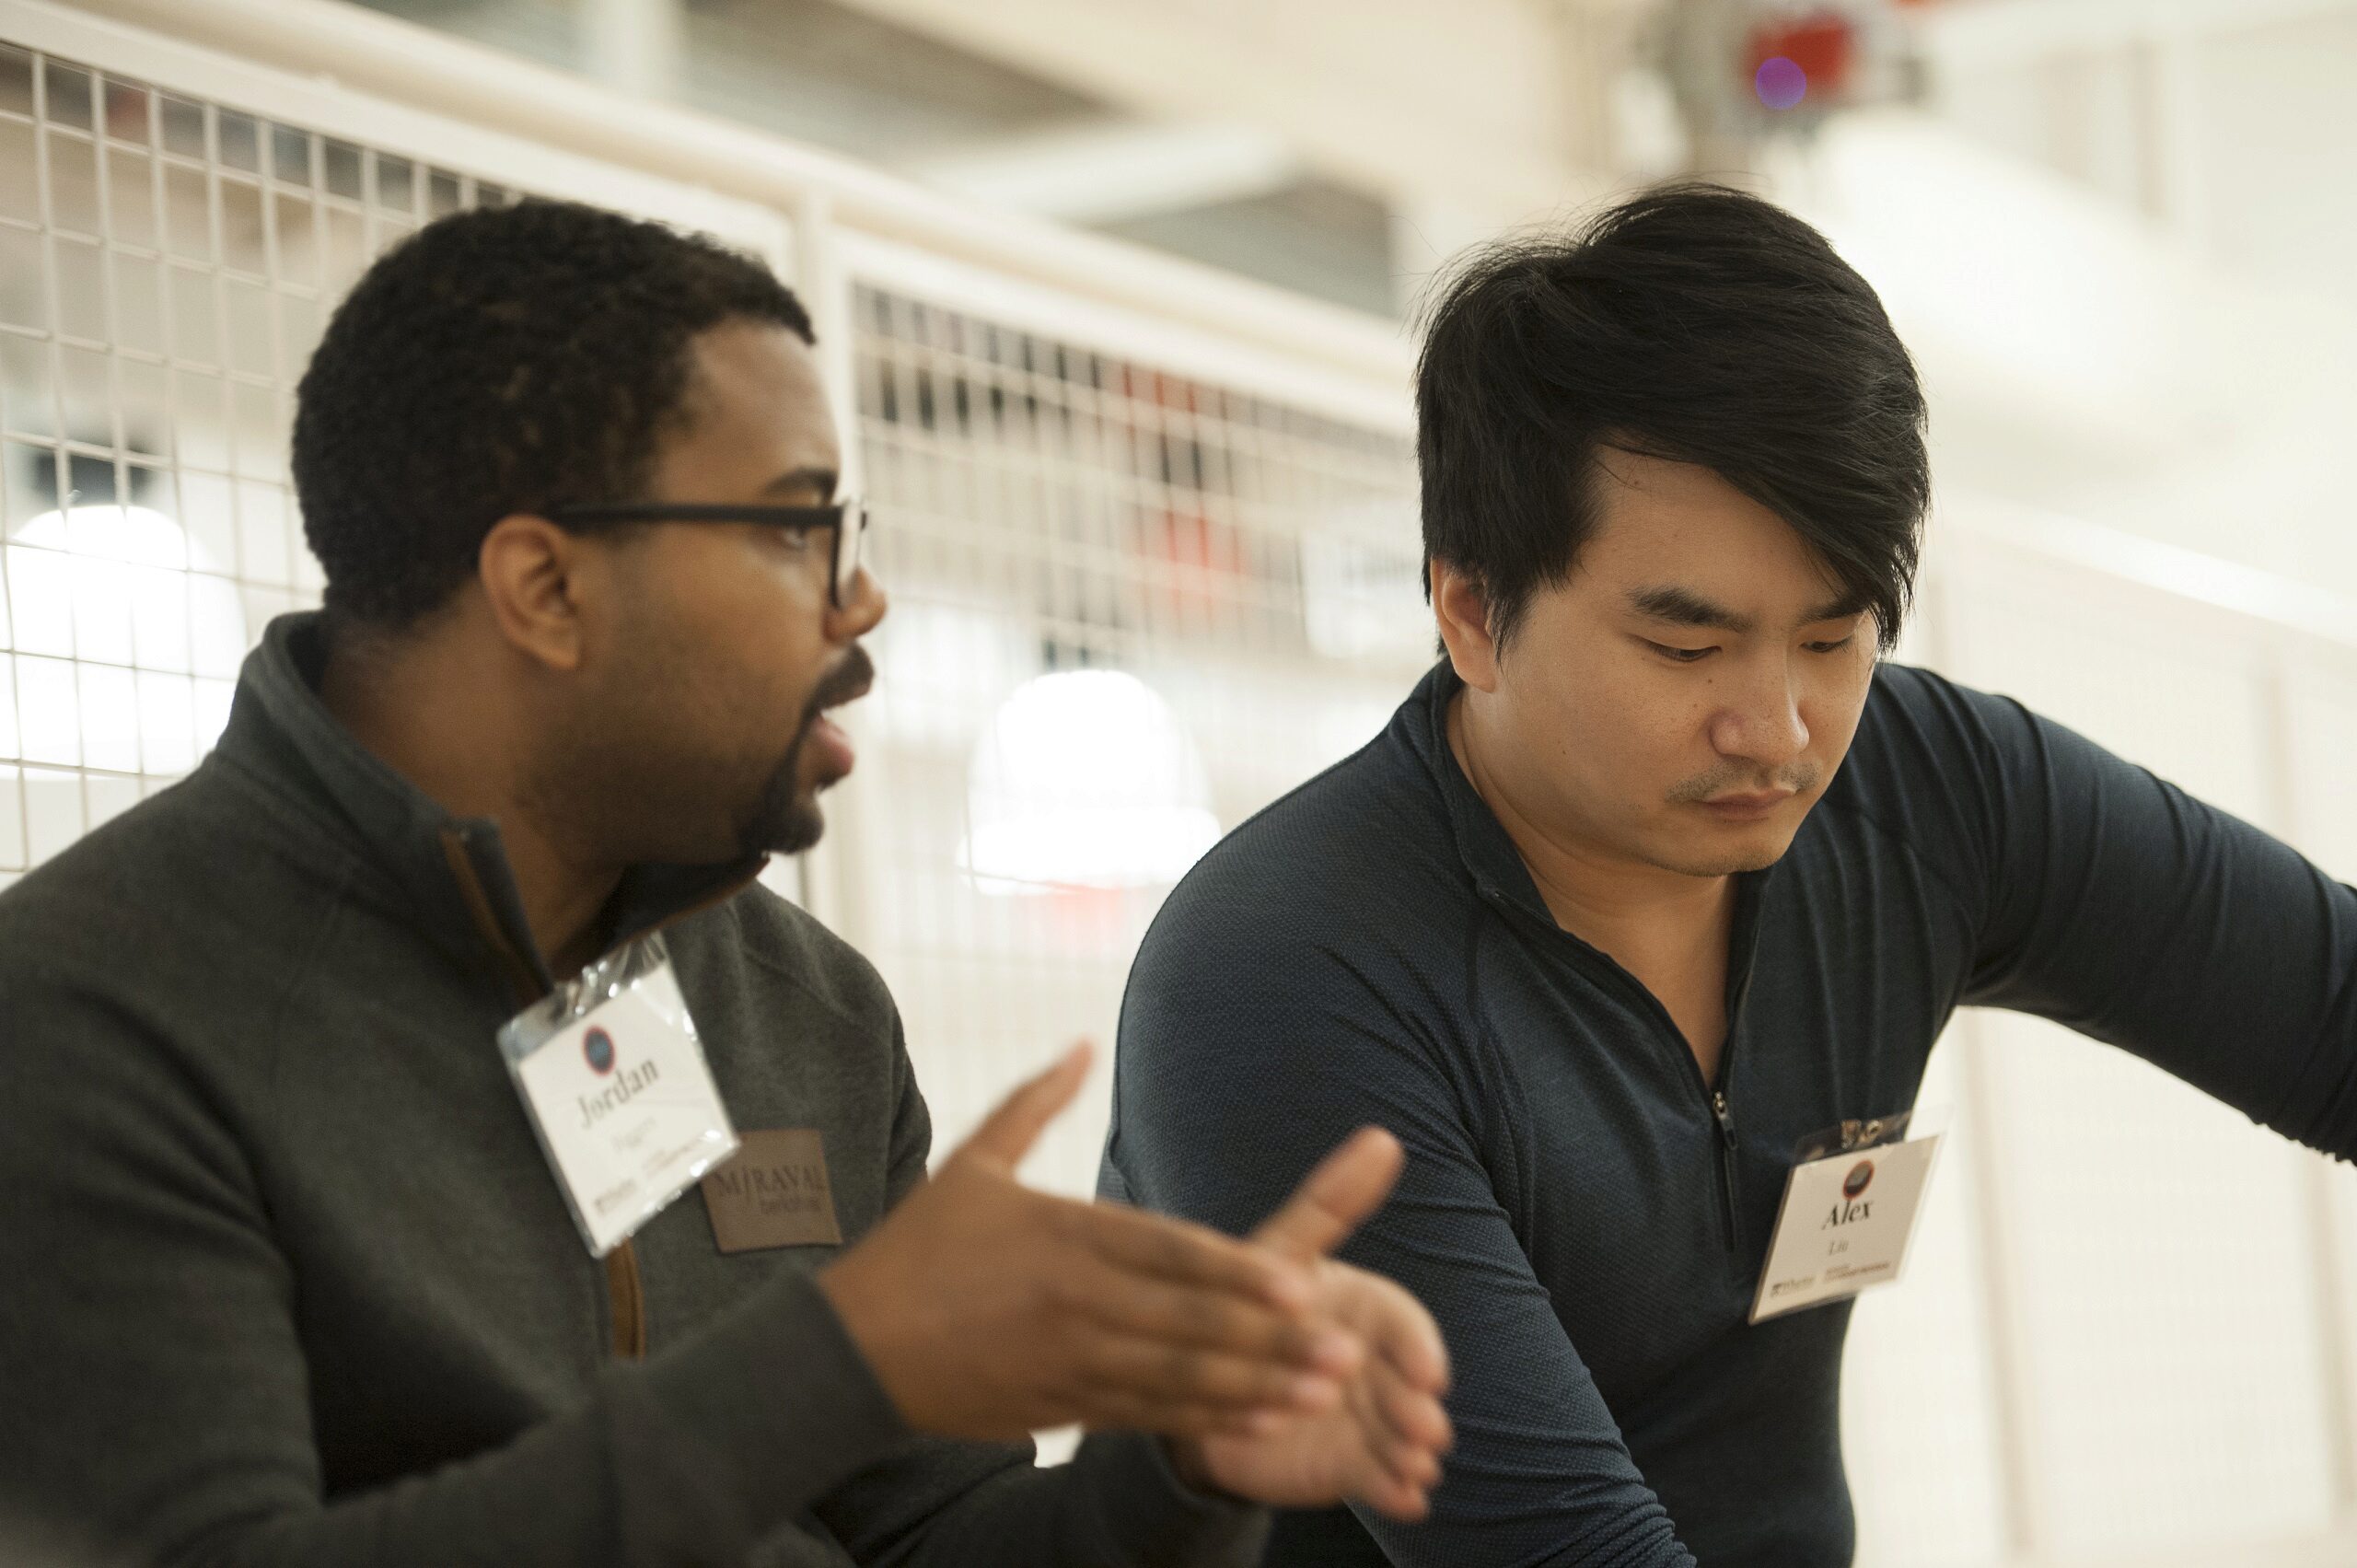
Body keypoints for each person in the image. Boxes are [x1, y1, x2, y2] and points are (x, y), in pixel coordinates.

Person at [0, 199, 1453, 1568]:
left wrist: (1180, 1474)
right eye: (788, 525)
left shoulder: (803, 1009)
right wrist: (833, 1361)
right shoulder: (91, 1010)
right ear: (546, 589)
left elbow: (922, 1537)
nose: (856, 597)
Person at [1100, 182, 2357, 1567]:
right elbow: (1552, 1550)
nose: (1780, 732)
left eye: (1832, 638)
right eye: (1687, 650)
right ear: (1472, 610)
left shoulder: (1926, 791)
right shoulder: (1290, 974)